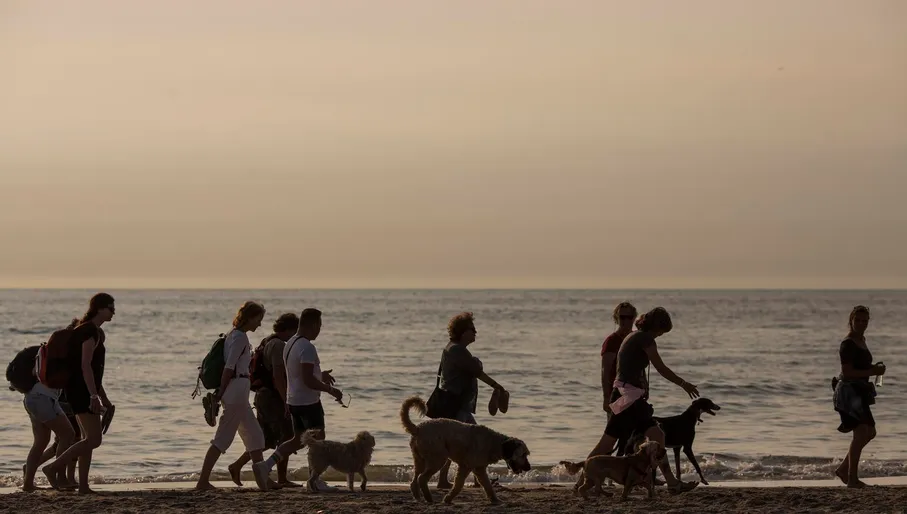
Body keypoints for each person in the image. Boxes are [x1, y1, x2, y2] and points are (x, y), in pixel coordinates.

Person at [585, 307, 699, 494]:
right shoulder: (646, 339)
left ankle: (672, 483)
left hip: (627, 396)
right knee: (607, 443)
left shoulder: (633, 336)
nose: (661, 335)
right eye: (662, 331)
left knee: (656, 435)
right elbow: (661, 367)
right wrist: (683, 383)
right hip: (628, 399)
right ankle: (584, 480)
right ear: (657, 326)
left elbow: (630, 368)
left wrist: (642, 386)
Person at [253, 308, 342, 492]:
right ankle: (314, 481)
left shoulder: (291, 343)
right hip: (309, 402)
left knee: (296, 440)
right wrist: (331, 390)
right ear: (313, 325)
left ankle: (266, 466)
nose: (319, 330)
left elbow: (296, 374)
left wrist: (320, 375)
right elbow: (307, 380)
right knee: (318, 440)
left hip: (294, 400)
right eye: (319, 326)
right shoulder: (307, 347)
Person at [41, 293, 116, 494]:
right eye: (111, 308)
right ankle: (52, 468)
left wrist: (103, 397)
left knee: (86, 439)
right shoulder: (89, 331)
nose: (113, 312)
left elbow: (93, 371)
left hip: (80, 389)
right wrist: (93, 396)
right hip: (81, 391)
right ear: (99, 308)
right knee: (94, 440)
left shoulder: (89, 330)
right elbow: (85, 366)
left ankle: (83, 486)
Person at [195, 301, 269, 491]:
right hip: (235, 390)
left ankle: (264, 481)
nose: (259, 323)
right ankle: (202, 481)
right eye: (258, 319)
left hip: (239, 390)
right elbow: (229, 367)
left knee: (255, 436)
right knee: (223, 438)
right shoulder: (239, 337)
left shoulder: (234, 335)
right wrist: (220, 394)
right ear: (250, 318)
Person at [435, 312, 508, 490]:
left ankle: (455, 479)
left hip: (458, 405)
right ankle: (470, 480)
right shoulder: (457, 350)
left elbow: (473, 369)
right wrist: (496, 386)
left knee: (468, 442)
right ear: (462, 331)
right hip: (456, 405)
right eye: (472, 329)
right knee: (471, 443)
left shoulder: (455, 348)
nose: (475, 332)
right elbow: (476, 370)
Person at [228, 312, 300, 488]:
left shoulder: (267, 341)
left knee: (264, 439)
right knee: (287, 436)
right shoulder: (278, 345)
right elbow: (278, 376)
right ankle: (282, 478)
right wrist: (286, 401)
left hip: (262, 395)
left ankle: (237, 465)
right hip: (272, 397)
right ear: (289, 329)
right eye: (295, 331)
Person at [833, 305, 885, 488]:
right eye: (858, 320)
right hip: (848, 393)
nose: (862, 324)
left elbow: (861, 367)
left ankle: (843, 470)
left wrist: (875, 369)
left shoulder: (862, 340)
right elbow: (847, 372)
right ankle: (852, 478)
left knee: (870, 432)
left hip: (859, 391)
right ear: (851, 321)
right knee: (862, 432)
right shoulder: (847, 344)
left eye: (865, 321)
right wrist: (872, 371)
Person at [22, 373, 77, 491]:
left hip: (31, 397)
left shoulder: (34, 360)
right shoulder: (57, 359)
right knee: (67, 435)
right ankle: (60, 477)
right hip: (45, 399)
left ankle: (28, 484)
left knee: (40, 441)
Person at [601, 302, 637, 417]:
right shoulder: (612, 341)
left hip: (635, 393)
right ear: (616, 318)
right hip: (617, 395)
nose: (626, 321)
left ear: (634, 318)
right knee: (614, 427)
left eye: (629, 317)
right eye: (622, 317)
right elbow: (605, 371)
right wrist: (606, 397)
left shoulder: (637, 339)